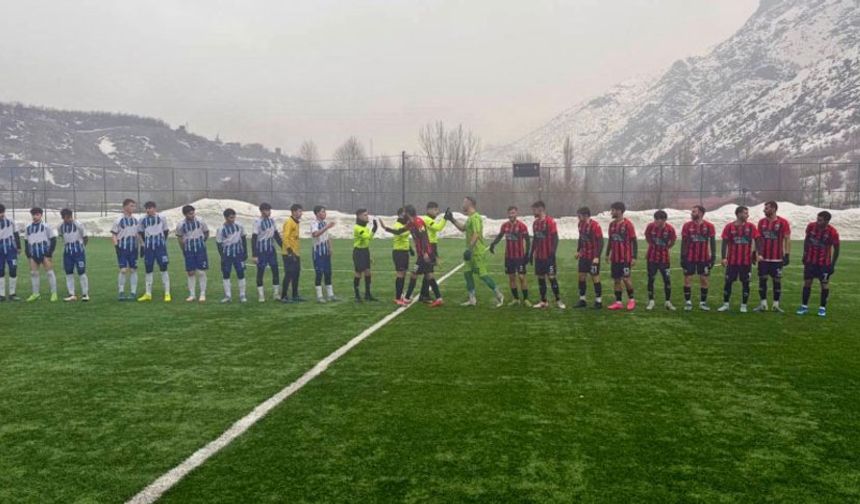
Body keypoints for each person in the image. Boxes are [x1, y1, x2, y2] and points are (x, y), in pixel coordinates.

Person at [446, 196, 504, 307]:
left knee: (482, 275)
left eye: (464, 202)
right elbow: (463, 228)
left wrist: (469, 249)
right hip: (470, 252)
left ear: (469, 203)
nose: (462, 204)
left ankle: (499, 295)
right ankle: (472, 299)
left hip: (477, 252)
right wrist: (452, 219)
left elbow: (476, 234)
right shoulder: (470, 218)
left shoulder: (476, 218)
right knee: (467, 274)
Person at [382, 205, 444, 307]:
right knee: (428, 275)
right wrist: (386, 228)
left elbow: (424, 237)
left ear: (408, 213)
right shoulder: (411, 223)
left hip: (424, 254)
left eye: (404, 213)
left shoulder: (418, 222)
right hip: (424, 254)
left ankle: (406, 298)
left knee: (414, 273)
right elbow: (399, 231)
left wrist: (425, 253)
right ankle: (439, 298)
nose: (403, 215)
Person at [798, 211, 840, 317]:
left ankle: (822, 308)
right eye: (817, 219)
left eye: (820, 220)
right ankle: (804, 306)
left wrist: (832, 264)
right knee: (807, 282)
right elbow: (807, 240)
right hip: (810, 261)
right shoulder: (811, 226)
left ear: (827, 221)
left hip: (824, 263)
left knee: (824, 284)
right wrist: (804, 254)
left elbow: (837, 249)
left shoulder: (832, 232)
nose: (817, 221)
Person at [718, 206, 759, 313]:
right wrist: (723, 257)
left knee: (745, 283)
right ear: (739, 214)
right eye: (745, 213)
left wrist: (756, 254)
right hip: (732, 261)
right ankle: (726, 304)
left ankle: (744, 305)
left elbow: (758, 240)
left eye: (747, 213)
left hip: (746, 261)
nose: (747, 215)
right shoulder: (729, 227)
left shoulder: (751, 226)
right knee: (728, 282)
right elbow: (724, 243)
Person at [489, 205, 531, 306]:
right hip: (509, 257)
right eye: (510, 213)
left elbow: (528, 240)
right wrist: (493, 244)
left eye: (513, 213)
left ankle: (526, 299)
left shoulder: (522, 226)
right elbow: (500, 236)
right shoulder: (505, 226)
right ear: (508, 214)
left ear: (516, 213)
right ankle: (516, 298)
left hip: (519, 257)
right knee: (512, 278)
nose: (511, 215)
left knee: (521, 277)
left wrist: (527, 254)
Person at [755, 201, 791, 313]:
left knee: (777, 281)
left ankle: (776, 305)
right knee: (762, 280)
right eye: (764, 208)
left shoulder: (783, 222)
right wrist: (756, 253)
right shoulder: (761, 222)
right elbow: (758, 239)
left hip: (777, 258)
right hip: (763, 258)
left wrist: (787, 254)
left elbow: (787, 239)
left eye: (767, 208)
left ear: (774, 209)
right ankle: (763, 304)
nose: (764, 210)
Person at [528, 200, 564, 309]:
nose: (533, 212)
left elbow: (555, 238)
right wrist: (531, 254)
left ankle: (558, 300)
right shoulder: (535, 223)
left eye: (534, 210)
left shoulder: (550, 221)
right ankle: (543, 301)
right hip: (538, 257)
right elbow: (535, 239)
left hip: (548, 256)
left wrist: (553, 252)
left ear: (541, 209)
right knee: (541, 278)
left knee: (551, 277)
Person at [681, 205, 716, 311]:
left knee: (704, 279)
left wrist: (713, 257)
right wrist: (682, 257)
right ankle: (688, 302)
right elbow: (684, 242)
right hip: (689, 257)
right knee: (688, 279)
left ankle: (703, 303)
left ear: (700, 213)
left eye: (694, 211)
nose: (692, 213)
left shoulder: (709, 226)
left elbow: (713, 242)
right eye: (692, 211)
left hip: (704, 258)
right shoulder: (687, 225)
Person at [137, 201, 171, 302]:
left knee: (163, 268)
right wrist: (143, 245)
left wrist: (161, 242)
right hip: (148, 248)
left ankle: (167, 293)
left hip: (160, 247)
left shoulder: (162, 218)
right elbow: (140, 233)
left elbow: (166, 231)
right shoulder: (142, 219)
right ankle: (148, 294)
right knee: (148, 269)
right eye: (147, 208)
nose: (148, 210)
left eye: (150, 208)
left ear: (155, 208)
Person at [606, 202, 637, 311]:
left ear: (619, 211)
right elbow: (610, 240)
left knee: (626, 279)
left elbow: (634, 241)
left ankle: (631, 300)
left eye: (613, 210)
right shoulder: (612, 225)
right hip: (615, 258)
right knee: (616, 280)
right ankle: (618, 302)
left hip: (625, 258)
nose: (611, 212)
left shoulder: (628, 224)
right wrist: (607, 253)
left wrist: (634, 257)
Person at [175, 204, 209, 303]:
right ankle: (192, 295)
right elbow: (180, 238)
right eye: (190, 213)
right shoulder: (181, 224)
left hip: (200, 249)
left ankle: (202, 294)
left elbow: (206, 232)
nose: (192, 215)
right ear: (185, 214)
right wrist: (184, 250)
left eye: (193, 212)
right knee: (190, 273)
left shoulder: (200, 221)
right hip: (189, 250)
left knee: (201, 271)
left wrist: (202, 243)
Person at [24, 207, 58, 302]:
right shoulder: (28, 227)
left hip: (44, 253)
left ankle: (54, 293)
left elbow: (53, 239)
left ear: (41, 215)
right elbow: (26, 241)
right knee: (34, 273)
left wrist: (49, 252)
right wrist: (28, 253)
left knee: (50, 273)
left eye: (37, 214)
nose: (35, 216)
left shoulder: (46, 226)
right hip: (33, 253)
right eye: (33, 215)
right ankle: (35, 294)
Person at [644, 210, 676, 311]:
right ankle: (651, 301)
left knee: (667, 280)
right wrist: (652, 245)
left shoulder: (670, 229)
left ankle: (667, 302)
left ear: (664, 220)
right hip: (652, 258)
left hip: (664, 259)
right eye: (655, 219)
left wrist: (666, 247)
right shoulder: (650, 226)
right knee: (651, 279)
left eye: (658, 220)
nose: (656, 222)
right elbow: (647, 236)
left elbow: (673, 241)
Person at [252, 202, 283, 302]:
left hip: (271, 250)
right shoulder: (257, 222)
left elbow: (276, 235)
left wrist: (283, 247)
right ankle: (261, 295)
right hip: (261, 251)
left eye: (269, 210)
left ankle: (276, 294)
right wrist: (254, 255)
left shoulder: (272, 221)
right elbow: (254, 238)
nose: (269, 212)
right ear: (261, 211)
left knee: (275, 271)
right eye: (266, 210)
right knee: (260, 272)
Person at [216, 208, 248, 303]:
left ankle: (242, 295)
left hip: (238, 254)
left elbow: (243, 238)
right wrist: (222, 256)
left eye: (234, 217)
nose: (233, 219)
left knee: (241, 273)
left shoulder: (239, 226)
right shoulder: (221, 229)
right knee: (226, 274)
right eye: (230, 217)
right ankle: (227, 296)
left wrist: (245, 252)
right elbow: (219, 243)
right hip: (227, 255)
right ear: (225, 218)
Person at [57, 208, 89, 302]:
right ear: (63, 218)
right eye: (67, 217)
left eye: (70, 217)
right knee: (69, 273)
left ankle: (85, 294)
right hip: (67, 253)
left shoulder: (78, 224)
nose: (69, 219)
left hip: (78, 252)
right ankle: (71, 294)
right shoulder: (60, 226)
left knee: (81, 272)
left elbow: (85, 237)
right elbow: (61, 236)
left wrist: (82, 247)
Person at [574, 206, 604, 309]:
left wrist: (597, 256)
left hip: (592, 257)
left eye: (579, 215)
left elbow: (601, 242)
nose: (578, 217)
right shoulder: (580, 224)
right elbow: (581, 238)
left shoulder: (595, 226)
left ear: (585, 215)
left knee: (594, 277)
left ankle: (598, 301)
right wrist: (578, 251)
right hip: (583, 256)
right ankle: (582, 299)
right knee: (581, 276)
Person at [419, 202, 448, 302]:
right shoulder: (426, 219)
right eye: (435, 209)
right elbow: (438, 227)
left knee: (428, 272)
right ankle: (436, 296)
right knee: (429, 273)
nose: (437, 211)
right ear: (428, 210)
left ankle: (424, 295)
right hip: (428, 247)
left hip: (432, 247)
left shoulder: (430, 219)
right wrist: (445, 219)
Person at [111, 198, 139, 301]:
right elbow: (114, 234)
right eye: (131, 206)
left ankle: (133, 292)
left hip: (134, 249)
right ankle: (121, 292)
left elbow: (138, 235)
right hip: (122, 248)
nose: (133, 208)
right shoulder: (118, 220)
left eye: (134, 206)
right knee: (123, 270)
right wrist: (116, 247)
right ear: (125, 207)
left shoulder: (136, 220)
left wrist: (142, 245)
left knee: (133, 270)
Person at [383, 208, 411, 303]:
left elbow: (405, 238)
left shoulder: (403, 225)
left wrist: (410, 249)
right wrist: (410, 227)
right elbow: (402, 234)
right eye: (404, 214)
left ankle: (401, 294)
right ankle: (397, 297)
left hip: (404, 251)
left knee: (404, 274)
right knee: (400, 274)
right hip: (398, 252)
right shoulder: (397, 225)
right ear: (399, 215)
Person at [310, 205, 338, 303]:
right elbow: (315, 234)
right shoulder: (314, 223)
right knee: (319, 273)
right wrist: (327, 227)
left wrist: (330, 247)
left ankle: (330, 294)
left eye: (325, 212)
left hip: (325, 252)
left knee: (328, 273)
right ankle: (319, 295)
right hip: (317, 252)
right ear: (317, 213)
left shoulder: (324, 223)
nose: (324, 213)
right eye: (322, 212)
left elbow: (327, 236)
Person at [352, 209, 378, 302]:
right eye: (365, 215)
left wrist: (374, 229)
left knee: (368, 272)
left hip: (365, 251)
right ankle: (357, 295)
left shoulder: (365, 228)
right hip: (358, 252)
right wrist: (374, 229)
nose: (367, 217)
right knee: (358, 273)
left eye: (367, 215)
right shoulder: (357, 227)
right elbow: (366, 237)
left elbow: (369, 239)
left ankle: (367, 294)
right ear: (359, 216)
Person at [280, 204, 304, 303]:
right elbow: (285, 238)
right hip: (288, 253)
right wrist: (290, 251)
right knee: (289, 274)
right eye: (299, 211)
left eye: (301, 211)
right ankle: (283, 296)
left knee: (296, 274)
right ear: (293, 212)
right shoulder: (289, 222)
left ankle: (295, 295)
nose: (301, 213)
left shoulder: (297, 222)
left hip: (296, 253)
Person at [0, 203, 21, 301]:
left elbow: (16, 233)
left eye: (1, 212)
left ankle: (12, 294)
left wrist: (19, 247)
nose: (0, 215)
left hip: (10, 249)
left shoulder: (11, 221)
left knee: (13, 269)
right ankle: (1, 295)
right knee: (0, 271)